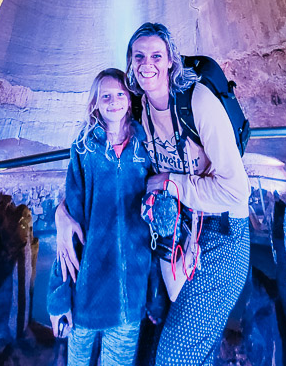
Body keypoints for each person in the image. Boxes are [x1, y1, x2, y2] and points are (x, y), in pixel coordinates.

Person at [56, 23, 251, 366]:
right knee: (156, 346)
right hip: (180, 236)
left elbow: (237, 190)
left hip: (222, 238)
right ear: (131, 64)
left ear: (172, 61)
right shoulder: (141, 110)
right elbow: (110, 181)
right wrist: (61, 214)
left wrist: (171, 182)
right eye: (139, 56)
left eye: (157, 55)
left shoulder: (198, 102)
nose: (148, 64)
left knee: (175, 356)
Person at [47, 68, 152, 366]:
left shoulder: (146, 148)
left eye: (120, 94)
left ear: (130, 99)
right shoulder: (84, 150)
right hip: (86, 296)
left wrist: (154, 293)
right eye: (106, 95)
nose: (114, 101)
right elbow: (69, 231)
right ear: (95, 103)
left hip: (129, 298)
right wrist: (58, 297)